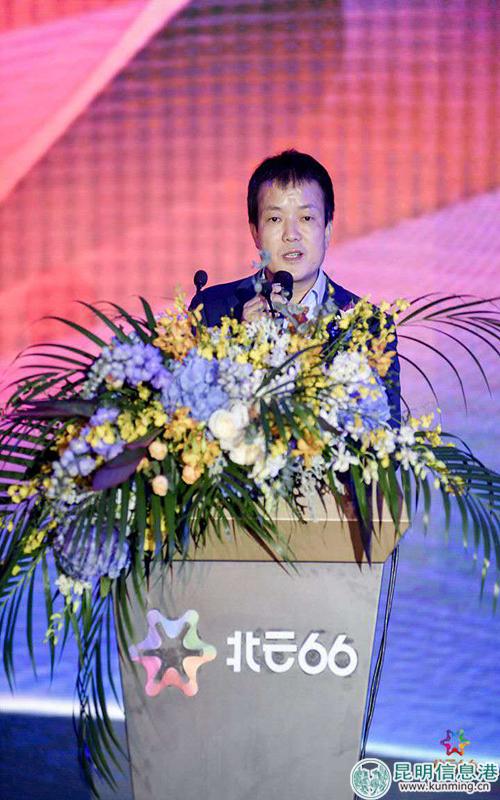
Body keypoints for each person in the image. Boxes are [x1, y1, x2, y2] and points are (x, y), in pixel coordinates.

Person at [191, 149, 400, 426]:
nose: (291, 235)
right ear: (255, 232)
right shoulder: (212, 310)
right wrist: (240, 348)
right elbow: (188, 420)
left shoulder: (369, 325)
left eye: (306, 218)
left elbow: (388, 434)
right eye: (275, 219)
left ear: (327, 230)